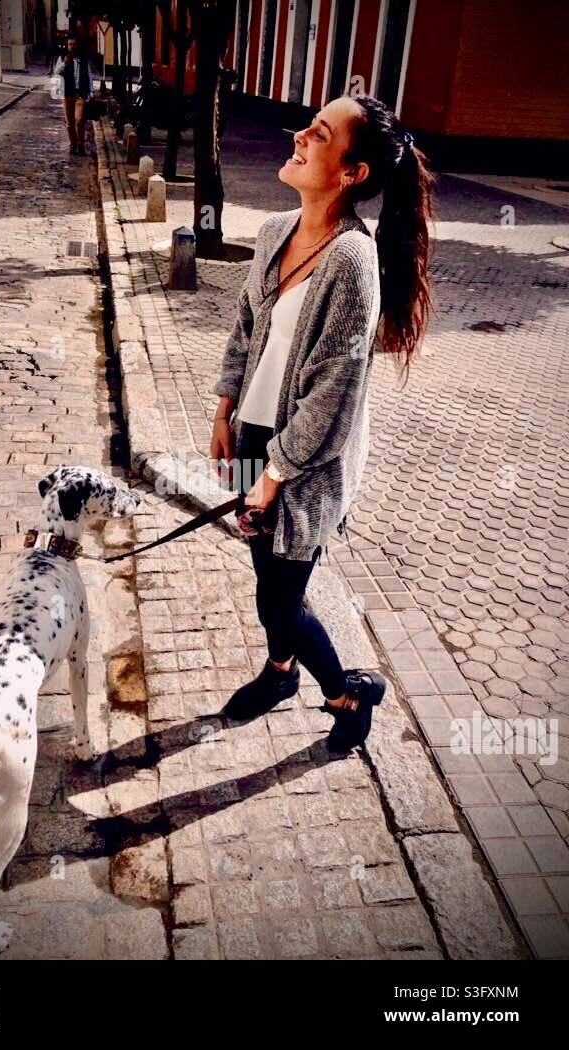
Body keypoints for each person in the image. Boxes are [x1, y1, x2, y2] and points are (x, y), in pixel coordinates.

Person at [210, 94, 435, 751]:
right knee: (265, 578)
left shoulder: (353, 263)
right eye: (308, 125)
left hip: (308, 466)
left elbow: (331, 399)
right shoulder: (276, 231)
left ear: (350, 173)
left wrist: (274, 478)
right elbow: (245, 328)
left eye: (320, 133)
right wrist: (224, 408)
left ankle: (348, 696)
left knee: (284, 598)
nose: (300, 136)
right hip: (256, 440)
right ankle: (281, 675)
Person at [54, 37, 95, 156]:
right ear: (67, 45)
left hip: (80, 95)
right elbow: (56, 72)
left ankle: (81, 144)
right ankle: (73, 146)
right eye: (69, 44)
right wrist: (65, 62)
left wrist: (91, 92)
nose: (71, 46)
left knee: (79, 120)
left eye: (73, 44)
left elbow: (89, 76)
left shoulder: (83, 59)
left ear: (77, 45)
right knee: (69, 123)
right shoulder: (63, 58)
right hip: (67, 94)